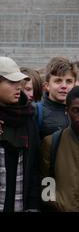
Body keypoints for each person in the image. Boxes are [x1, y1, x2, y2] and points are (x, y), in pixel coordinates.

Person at [0, 57, 41, 212]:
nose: (18, 87)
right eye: (11, 82)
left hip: (19, 205)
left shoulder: (27, 116)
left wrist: (33, 207)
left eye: (19, 83)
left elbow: (34, 167)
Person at [35, 57, 77, 139]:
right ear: (47, 86)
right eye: (58, 81)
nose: (64, 86)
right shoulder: (36, 112)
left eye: (69, 81)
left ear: (74, 85)